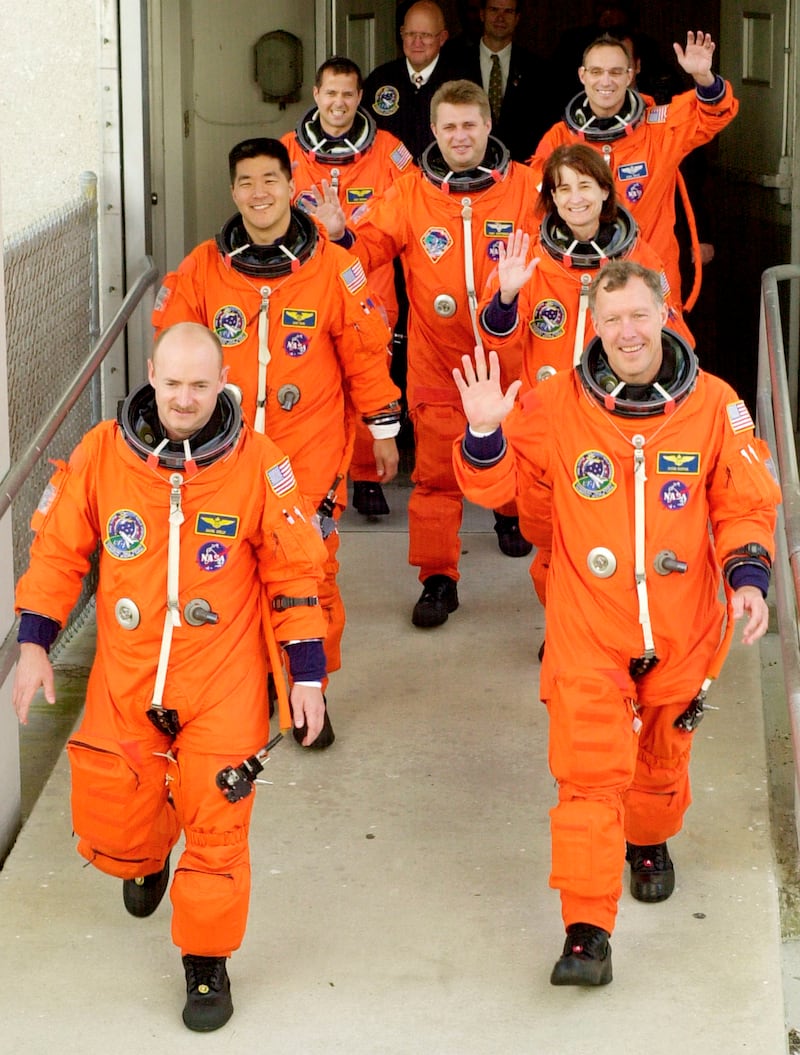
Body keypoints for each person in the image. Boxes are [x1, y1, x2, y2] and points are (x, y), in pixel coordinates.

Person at [452, 260, 780, 987]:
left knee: (660, 767)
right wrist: (482, 433)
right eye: (611, 319)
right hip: (589, 629)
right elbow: (499, 485)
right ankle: (586, 930)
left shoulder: (716, 405)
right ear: (592, 327)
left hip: (683, 627)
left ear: (665, 315)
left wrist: (747, 576)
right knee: (588, 777)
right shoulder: (559, 402)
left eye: (638, 315)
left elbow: (744, 503)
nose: (626, 332)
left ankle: (651, 841)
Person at [11, 323, 330, 1030]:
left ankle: (205, 961)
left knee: (217, 824)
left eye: (199, 384)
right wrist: (34, 642)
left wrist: (307, 674)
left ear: (222, 383)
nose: (184, 398)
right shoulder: (102, 454)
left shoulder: (256, 462)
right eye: (173, 382)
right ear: (151, 373)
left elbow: (295, 573)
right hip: (128, 676)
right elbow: (60, 552)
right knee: (115, 819)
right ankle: (146, 852)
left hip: (223, 681)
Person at [151, 139, 401, 733]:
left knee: (310, 573)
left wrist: (383, 430)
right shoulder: (204, 266)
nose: (258, 193)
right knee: (230, 571)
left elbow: (365, 355)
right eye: (246, 182)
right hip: (224, 456)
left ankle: (310, 689)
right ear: (233, 191)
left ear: (293, 186)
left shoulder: (335, 266)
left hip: (307, 453)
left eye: (270, 180)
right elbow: (174, 355)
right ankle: (256, 676)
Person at [312, 80, 542, 627]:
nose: (460, 136)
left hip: (512, 360)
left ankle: (510, 513)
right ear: (434, 131)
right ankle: (438, 576)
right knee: (436, 477)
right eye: (449, 127)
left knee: (524, 459)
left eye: (470, 124)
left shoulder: (529, 188)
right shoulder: (411, 191)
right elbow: (370, 249)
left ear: (489, 126)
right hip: (440, 362)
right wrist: (343, 234)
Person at [281, 56, 413, 520]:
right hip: (305, 288)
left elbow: (411, 215)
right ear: (316, 95)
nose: (339, 103)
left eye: (348, 94)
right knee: (315, 383)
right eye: (330, 93)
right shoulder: (287, 154)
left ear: (361, 98)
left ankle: (366, 478)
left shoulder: (391, 153)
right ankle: (318, 479)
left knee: (368, 382)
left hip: (370, 288)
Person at [533, 31, 738, 307]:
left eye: (616, 72)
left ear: (631, 74)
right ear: (582, 75)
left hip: (650, 274)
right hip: (580, 277)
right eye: (596, 71)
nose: (606, 81)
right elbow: (536, 209)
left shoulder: (657, 128)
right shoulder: (560, 139)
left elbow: (709, 115)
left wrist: (704, 78)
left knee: (662, 347)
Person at [451, 0, 554, 162]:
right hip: (467, 168)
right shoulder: (455, 64)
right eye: (494, 10)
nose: (500, 18)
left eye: (508, 12)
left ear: (517, 18)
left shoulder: (537, 69)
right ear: (482, 14)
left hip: (520, 169)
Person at [362, 0, 458, 163]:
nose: (417, 42)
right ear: (402, 34)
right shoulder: (379, 79)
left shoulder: (459, 83)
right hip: (389, 180)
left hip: (441, 180)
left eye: (426, 35)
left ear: (442, 38)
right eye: (410, 34)